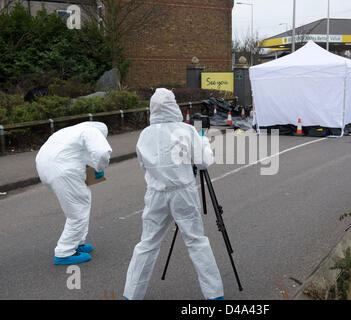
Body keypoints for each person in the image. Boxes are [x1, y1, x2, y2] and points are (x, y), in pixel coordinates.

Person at [123, 88, 224, 300]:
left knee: (147, 244)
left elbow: (144, 167)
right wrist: (203, 141)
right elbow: (203, 162)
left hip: (155, 193)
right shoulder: (186, 130)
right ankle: (214, 295)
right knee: (196, 241)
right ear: (174, 105)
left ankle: (131, 295)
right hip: (182, 192)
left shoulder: (145, 135)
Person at [35, 121, 112, 265]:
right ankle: (65, 252)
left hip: (45, 168)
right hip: (63, 171)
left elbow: (74, 154)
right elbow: (102, 153)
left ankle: (78, 242)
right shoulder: (93, 132)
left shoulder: (69, 131)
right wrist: (100, 167)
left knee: (81, 202)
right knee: (77, 211)